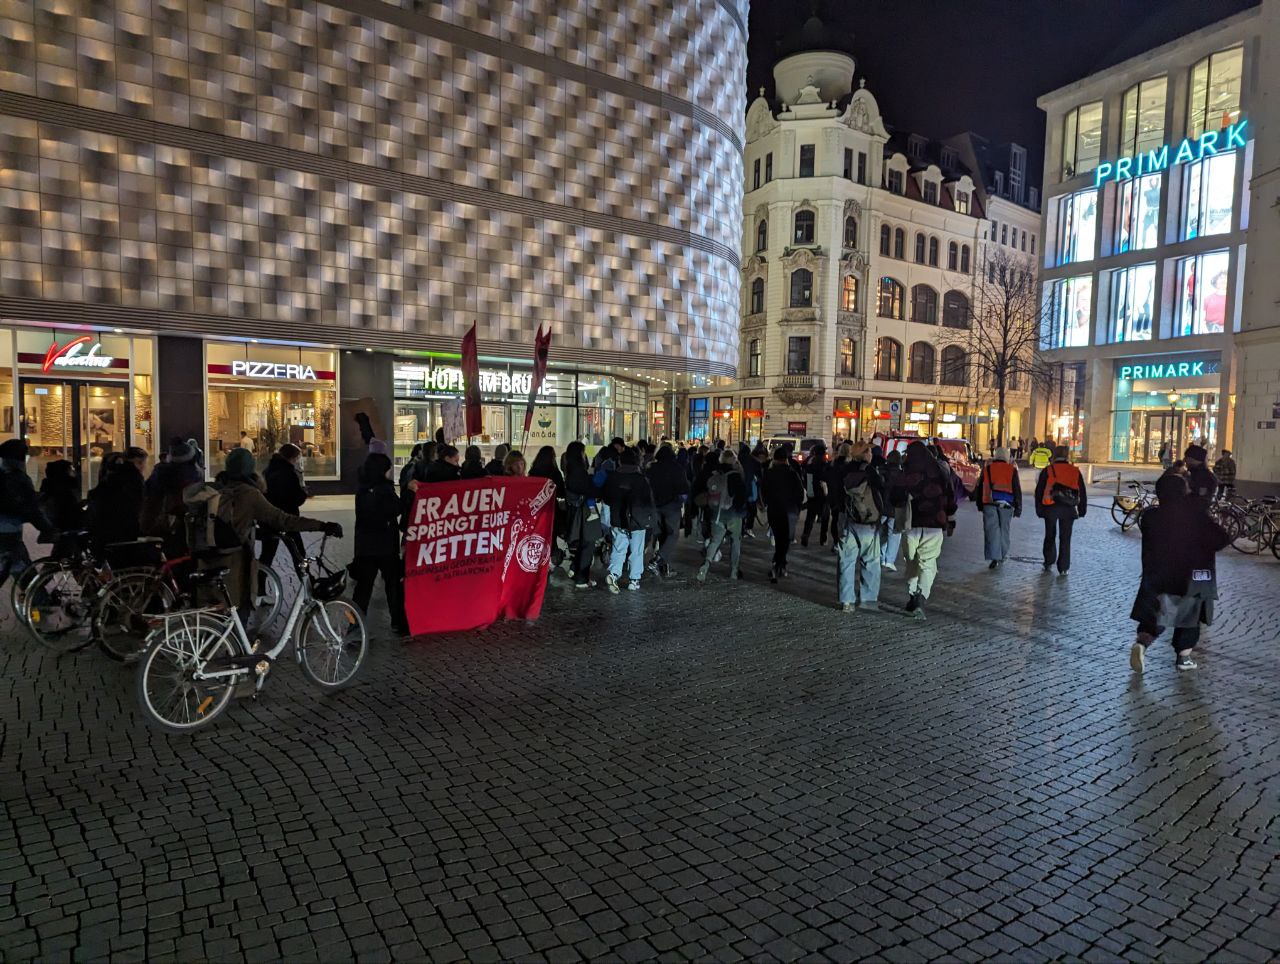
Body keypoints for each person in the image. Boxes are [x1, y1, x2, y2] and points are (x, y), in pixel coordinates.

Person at [212, 447, 340, 611]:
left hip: (215, 562)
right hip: (237, 565)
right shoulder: (250, 494)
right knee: (298, 556)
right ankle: (308, 587)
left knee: (268, 556)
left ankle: (261, 591)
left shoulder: (218, 490)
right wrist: (322, 525)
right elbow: (283, 519)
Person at [1129, 473, 1229, 673]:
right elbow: (1221, 539)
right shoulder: (1195, 515)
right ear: (1183, 491)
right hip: (1192, 575)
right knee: (1190, 613)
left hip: (1159, 574)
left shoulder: (1150, 516)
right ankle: (1184, 657)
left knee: (1158, 611)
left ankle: (1142, 644)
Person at [890, 440, 958, 620]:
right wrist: (950, 519)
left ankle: (914, 596)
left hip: (911, 524)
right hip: (934, 524)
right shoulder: (941, 472)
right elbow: (951, 497)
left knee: (911, 560)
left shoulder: (906, 473)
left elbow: (894, 497)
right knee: (928, 563)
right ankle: (920, 598)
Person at [350, 452, 406, 635]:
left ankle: (353, 625)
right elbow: (395, 509)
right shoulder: (385, 490)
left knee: (362, 591)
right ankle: (398, 622)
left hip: (365, 547)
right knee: (393, 585)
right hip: (385, 546)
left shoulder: (363, 488)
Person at [835, 441, 885, 612]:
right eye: (869, 451)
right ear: (865, 454)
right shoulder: (870, 471)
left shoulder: (843, 470)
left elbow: (835, 493)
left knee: (846, 562)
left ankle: (846, 600)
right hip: (869, 522)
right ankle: (868, 598)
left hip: (848, 519)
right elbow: (882, 490)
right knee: (871, 561)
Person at [0, 439, 56, 587]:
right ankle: (39, 605)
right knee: (22, 569)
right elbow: (31, 509)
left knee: (13, 567)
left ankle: (38, 603)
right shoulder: (19, 479)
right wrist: (47, 528)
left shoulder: (3, 475)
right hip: (9, 532)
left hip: (6, 531)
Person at [601, 448, 654, 592]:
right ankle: (634, 580)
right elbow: (648, 501)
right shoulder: (640, 479)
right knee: (636, 550)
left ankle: (614, 574)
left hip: (618, 518)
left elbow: (606, 497)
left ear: (620, 461)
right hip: (637, 520)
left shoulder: (612, 477)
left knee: (619, 548)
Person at [696, 449, 748, 583]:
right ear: (733, 460)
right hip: (733, 514)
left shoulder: (715, 473)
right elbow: (742, 496)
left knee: (715, 542)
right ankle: (734, 571)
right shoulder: (736, 475)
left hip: (717, 514)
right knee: (736, 542)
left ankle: (705, 566)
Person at [141, 438, 201, 552]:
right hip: (178, 523)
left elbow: (146, 492)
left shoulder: (159, 471)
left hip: (153, 521)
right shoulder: (191, 475)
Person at [1034, 444, 1086, 575]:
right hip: (1069, 509)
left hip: (1050, 507)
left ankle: (1048, 561)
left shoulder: (1048, 470)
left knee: (1050, 535)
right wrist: (1082, 509)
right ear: (1067, 456)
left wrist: (1039, 509)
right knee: (1065, 538)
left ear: (1055, 456)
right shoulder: (1075, 471)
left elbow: (1039, 491)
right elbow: (1082, 492)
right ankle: (1063, 567)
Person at [86, 448, 147, 553]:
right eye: (140, 463)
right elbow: (136, 512)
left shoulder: (101, 489)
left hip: (100, 540)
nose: (143, 467)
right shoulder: (132, 482)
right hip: (124, 539)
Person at [260, 443, 308, 569]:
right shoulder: (289, 473)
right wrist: (304, 493)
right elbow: (295, 498)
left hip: (269, 519)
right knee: (298, 554)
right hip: (288, 519)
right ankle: (308, 582)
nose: (298, 461)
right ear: (292, 458)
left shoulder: (267, 471)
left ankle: (260, 584)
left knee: (267, 555)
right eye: (297, 458)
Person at [562, 441, 602, 588]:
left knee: (583, 544)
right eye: (583, 452)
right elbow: (590, 490)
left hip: (577, 510)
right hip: (584, 512)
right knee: (588, 544)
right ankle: (582, 578)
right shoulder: (579, 471)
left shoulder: (570, 469)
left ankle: (574, 569)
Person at [974, 446, 1022, 569]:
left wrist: (979, 504)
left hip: (989, 503)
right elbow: (1017, 490)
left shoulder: (987, 469)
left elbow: (980, 488)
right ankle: (1003, 555)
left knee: (992, 531)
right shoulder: (1012, 470)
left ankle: (994, 558)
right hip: (1007, 505)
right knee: (1004, 531)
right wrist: (1018, 508)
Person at [762, 447, 804, 582]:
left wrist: (767, 503)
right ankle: (779, 564)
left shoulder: (769, 473)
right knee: (785, 539)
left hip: (774, 509)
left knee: (779, 537)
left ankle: (779, 563)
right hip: (790, 510)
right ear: (786, 459)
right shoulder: (792, 473)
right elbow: (800, 493)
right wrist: (797, 507)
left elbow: (764, 491)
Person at [645, 443, 688, 577]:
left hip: (654, 505)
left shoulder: (651, 468)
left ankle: (664, 566)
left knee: (659, 535)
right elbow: (683, 488)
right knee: (672, 534)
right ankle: (659, 559)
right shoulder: (677, 468)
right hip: (671, 505)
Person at [37, 459, 82, 537]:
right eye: (70, 470)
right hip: (67, 530)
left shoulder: (49, 489)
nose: (74, 473)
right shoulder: (65, 492)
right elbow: (69, 512)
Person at [879, 450, 906, 571]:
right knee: (895, 535)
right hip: (896, 508)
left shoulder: (881, 471)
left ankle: (880, 556)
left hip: (882, 507)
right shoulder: (902, 474)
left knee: (879, 533)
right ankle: (889, 560)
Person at [800, 442, 829, 547]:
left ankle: (805, 535)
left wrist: (808, 491)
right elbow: (827, 480)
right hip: (823, 494)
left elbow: (806, 478)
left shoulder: (810, 465)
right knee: (825, 518)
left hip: (812, 493)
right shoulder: (825, 465)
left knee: (810, 517)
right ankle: (823, 539)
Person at [1182, 444, 1217, 510]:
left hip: (1195, 514)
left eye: (1186, 458)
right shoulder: (1193, 473)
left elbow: (1201, 499)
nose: (1185, 461)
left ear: (1192, 459)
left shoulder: (1203, 476)